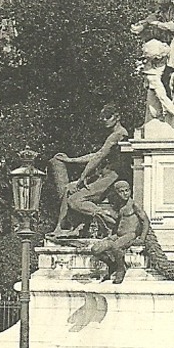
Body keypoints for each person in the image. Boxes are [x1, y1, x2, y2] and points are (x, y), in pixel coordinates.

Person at [48, 105, 128, 237]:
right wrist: (71, 160)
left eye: (108, 116)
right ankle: (61, 227)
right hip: (102, 177)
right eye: (103, 117)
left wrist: (82, 178)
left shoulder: (119, 134)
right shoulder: (113, 135)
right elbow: (95, 155)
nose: (105, 120)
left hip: (110, 178)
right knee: (68, 189)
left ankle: (106, 218)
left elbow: (98, 157)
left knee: (74, 200)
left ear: (117, 117)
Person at [88, 181, 150, 284]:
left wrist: (142, 238)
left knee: (115, 246)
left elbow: (146, 221)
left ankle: (121, 269)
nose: (125, 193)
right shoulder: (120, 206)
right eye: (121, 191)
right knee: (95, 249)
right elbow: (118, 223)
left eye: (127, 190)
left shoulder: (134, 205)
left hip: (130, 234)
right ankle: (112, 264)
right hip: (118, 235)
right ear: (117, 193)